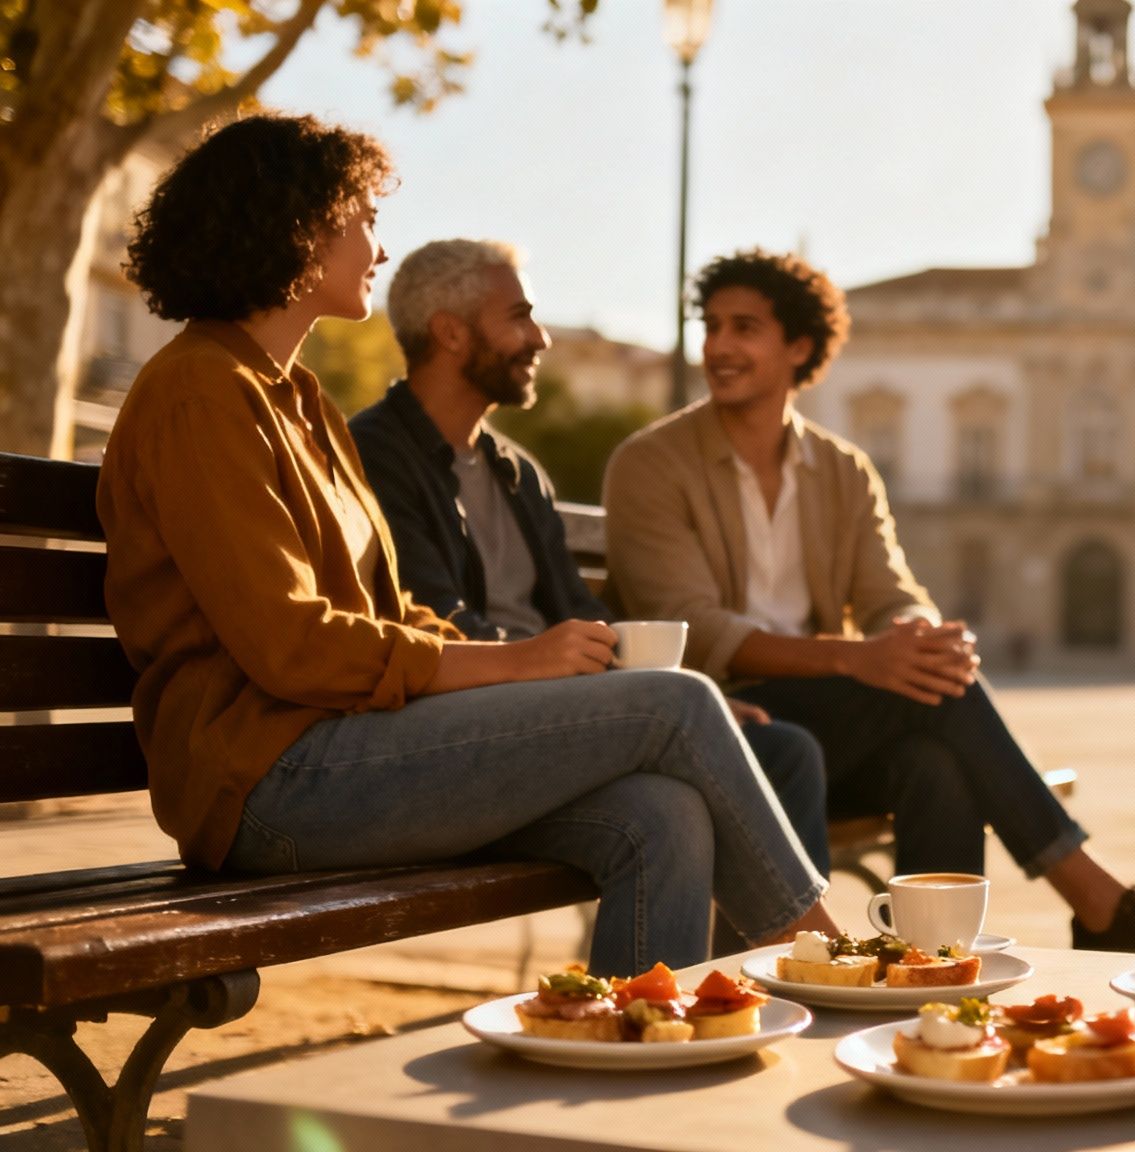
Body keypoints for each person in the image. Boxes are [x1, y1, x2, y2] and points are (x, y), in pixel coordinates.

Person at [96, 114, 839, 977]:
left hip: (342, 749)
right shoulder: (200, 393)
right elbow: (290, 644)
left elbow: (380, 613)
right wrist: (515, 664)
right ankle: (829, 960)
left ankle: (631, 1056)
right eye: (364, 216)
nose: (378, 248)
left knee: (659, 812)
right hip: (269, 782)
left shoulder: (300, 400)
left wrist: (517, 658)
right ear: (299, 227)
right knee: (673, 702)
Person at [604, 249, 1135, 952]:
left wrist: (917, 636)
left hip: (826, 722)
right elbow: (694, 627)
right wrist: (861, 659)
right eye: (711, 327)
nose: (719, 346)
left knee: (939, 756)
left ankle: (928, 968)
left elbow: (892, 593)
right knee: (935, 705)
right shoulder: (653, 464)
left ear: (799, 346)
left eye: (745, 328)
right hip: (720, 716)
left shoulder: (842, 470)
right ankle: (1087, 898)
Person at [347, 239, 829, 875]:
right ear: (451, 333)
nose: (540, 337)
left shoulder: (517, 472)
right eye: (519, 316)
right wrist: (658, 702)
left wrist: (681, 700)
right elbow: (435, 621)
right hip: (465, 732)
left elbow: (578, 611)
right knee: (679, 795)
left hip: (557, 716)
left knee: (767, 757)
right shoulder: (373, 456)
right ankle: (813, 951)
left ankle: (739, 973)